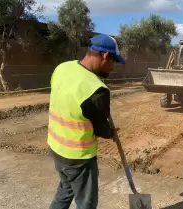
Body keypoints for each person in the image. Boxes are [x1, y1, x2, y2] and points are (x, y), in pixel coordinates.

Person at [47, 33, 125, 209]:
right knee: (86, 203)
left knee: (66, 190)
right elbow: (100, 129)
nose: (113, 67)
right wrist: (110, 132)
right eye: (114, 61)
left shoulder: (62, 68)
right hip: (78, 158)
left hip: (56, 147)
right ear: (105, 56)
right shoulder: (97, 90)